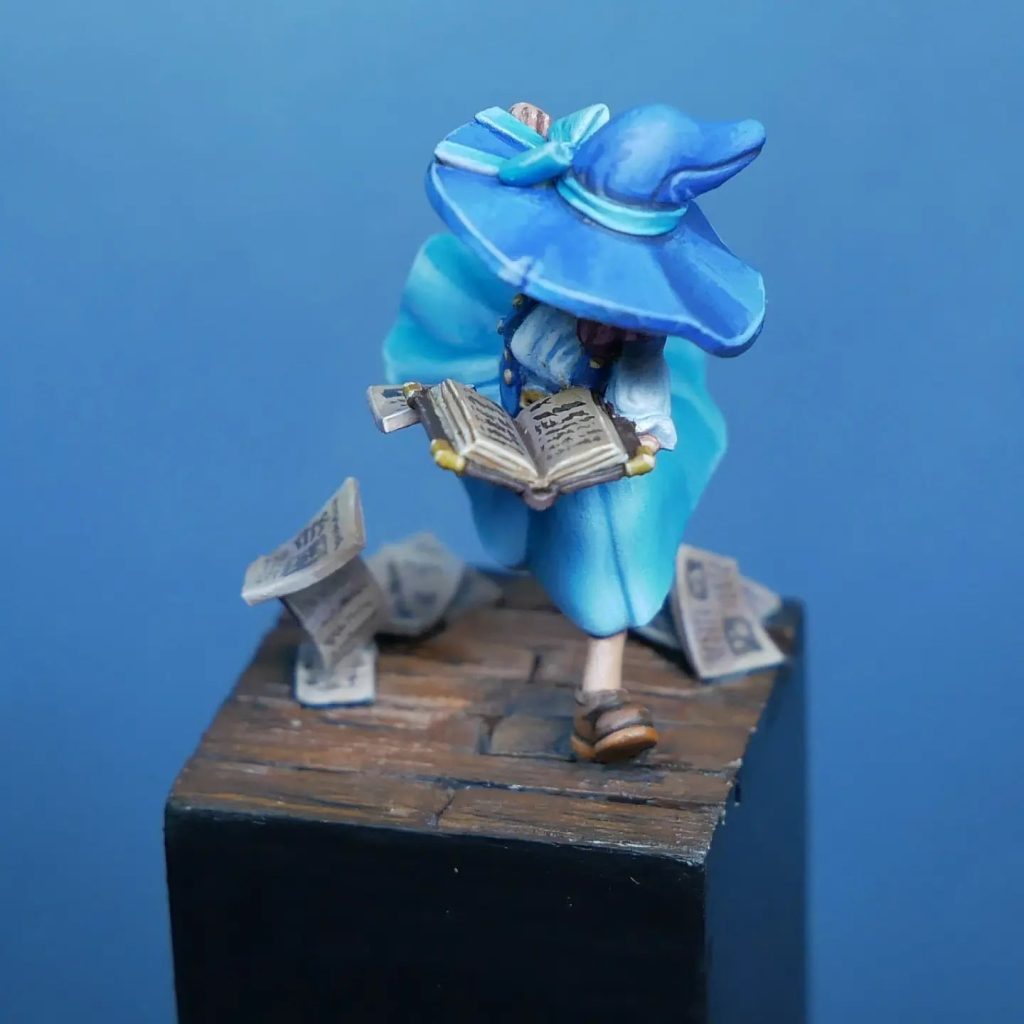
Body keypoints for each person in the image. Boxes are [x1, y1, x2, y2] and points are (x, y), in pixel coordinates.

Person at [383, 100, 766, 761]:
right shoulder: (545, 298)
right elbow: (521, 176)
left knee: (613, 562)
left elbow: (644, 425)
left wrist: (612, 454)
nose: (608, 318)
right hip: (515, 411)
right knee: (515, 503)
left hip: (598, 467)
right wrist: (525, 136)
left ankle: (600, 698)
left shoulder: (638, 355)